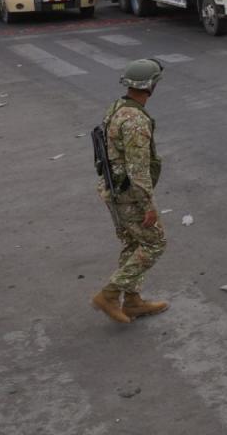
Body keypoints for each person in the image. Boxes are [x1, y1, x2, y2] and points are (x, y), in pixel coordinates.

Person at [92, 59, 169, 325]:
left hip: (113, 189)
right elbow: (139, 169)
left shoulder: (118, 107)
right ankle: (110, 294)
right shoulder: (136, 121)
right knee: (155, 243)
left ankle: (133, 302)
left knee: (134, 243)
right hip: (128, 194)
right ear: (150, 86)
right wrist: (148, 206)